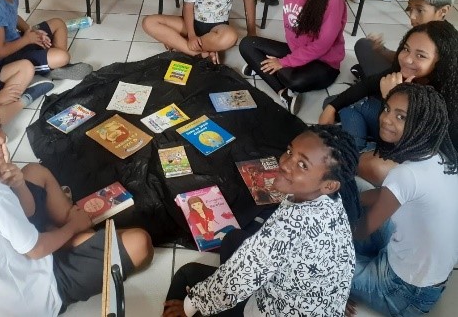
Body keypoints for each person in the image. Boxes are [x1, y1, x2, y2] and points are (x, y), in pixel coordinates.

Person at [0, 90, 154, 317]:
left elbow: (26, 211)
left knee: (32, 172)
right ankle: (71, 236)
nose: (0, 139)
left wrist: (18, 183)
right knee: (140, 243)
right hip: (34, 297)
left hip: (6, 271)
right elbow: (36, 251)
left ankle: (68, 236)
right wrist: (73, 226)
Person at [163, 125, 362, 317]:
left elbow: (237, 280)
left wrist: (190, 306)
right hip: (314, 304)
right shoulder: (334, 203)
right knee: (234, 239)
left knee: (187, 276)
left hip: (270, 310)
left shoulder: (287, 227)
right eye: (289, 151)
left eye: (302, 165)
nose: (284, 164)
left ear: (329, 185)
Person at [347, 83, 458, 317]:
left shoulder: (406, 175)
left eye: (401, 117)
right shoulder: (441, 157)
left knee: (318, 259)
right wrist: (352, 199)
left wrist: (325, 222)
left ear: (423, 126)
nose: (386, 119)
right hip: (421, 270)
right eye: (387, 109)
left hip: (405, 292)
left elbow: (362, 230)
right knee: (351, 187)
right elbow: (389, 195)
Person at [239, 0, 346, 114]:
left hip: (324, 62)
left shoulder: (333, 0)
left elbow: (321, 46)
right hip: (296, 50)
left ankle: (262, 68)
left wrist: (284, 62)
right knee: (246, 44)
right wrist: (288, 59)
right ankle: (283, 93)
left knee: (290, 78)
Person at [319, 20, 458, 153]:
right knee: (333, 103)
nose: (407, 59)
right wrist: (333, 107)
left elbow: (419, 142)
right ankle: (356, 148)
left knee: (350, 106)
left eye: (420, 55)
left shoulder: (447, 95)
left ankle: (358, 151)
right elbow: (369, 84)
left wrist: (391, 96)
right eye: (406, 49)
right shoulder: (405, 71)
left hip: (409, 148)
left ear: (442, 62)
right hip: (393, 130)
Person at [352, 0, 455, 79]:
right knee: (364, 44)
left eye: (420, 10)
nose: (412, 17)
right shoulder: (419, 30)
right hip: (401, 74)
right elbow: (402, 59)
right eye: (410, 8)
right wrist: (382, 50)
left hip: (413, 90)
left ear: (443, 11)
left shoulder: (448, 46)